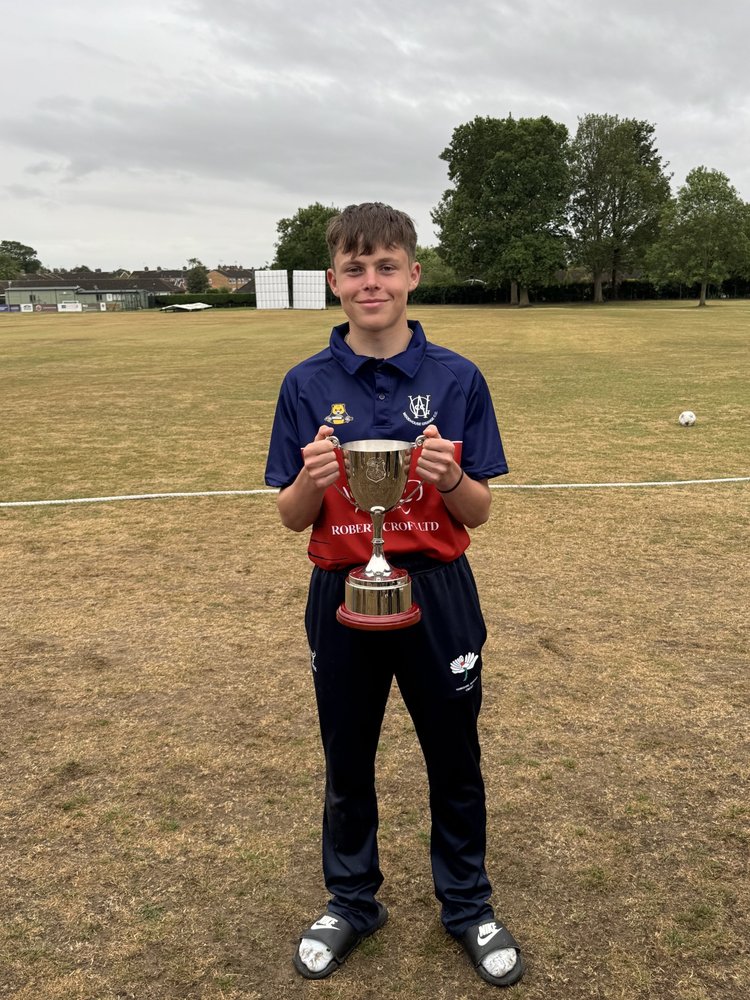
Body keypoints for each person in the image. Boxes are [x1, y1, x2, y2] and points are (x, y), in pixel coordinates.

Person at [264, 202, 524, 988]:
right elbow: (290, 516)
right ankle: (351, 900)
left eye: (385, 266)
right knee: (347, 756)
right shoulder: (305, 383)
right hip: (343, 589)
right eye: (355, 268)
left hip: (438, 593)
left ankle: (467, 904)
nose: (370, 282)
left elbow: (479, 510)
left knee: (455, 755)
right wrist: (313, 482)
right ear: (334, 282)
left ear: (412, 274)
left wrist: (452, 478)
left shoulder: (457, 377)